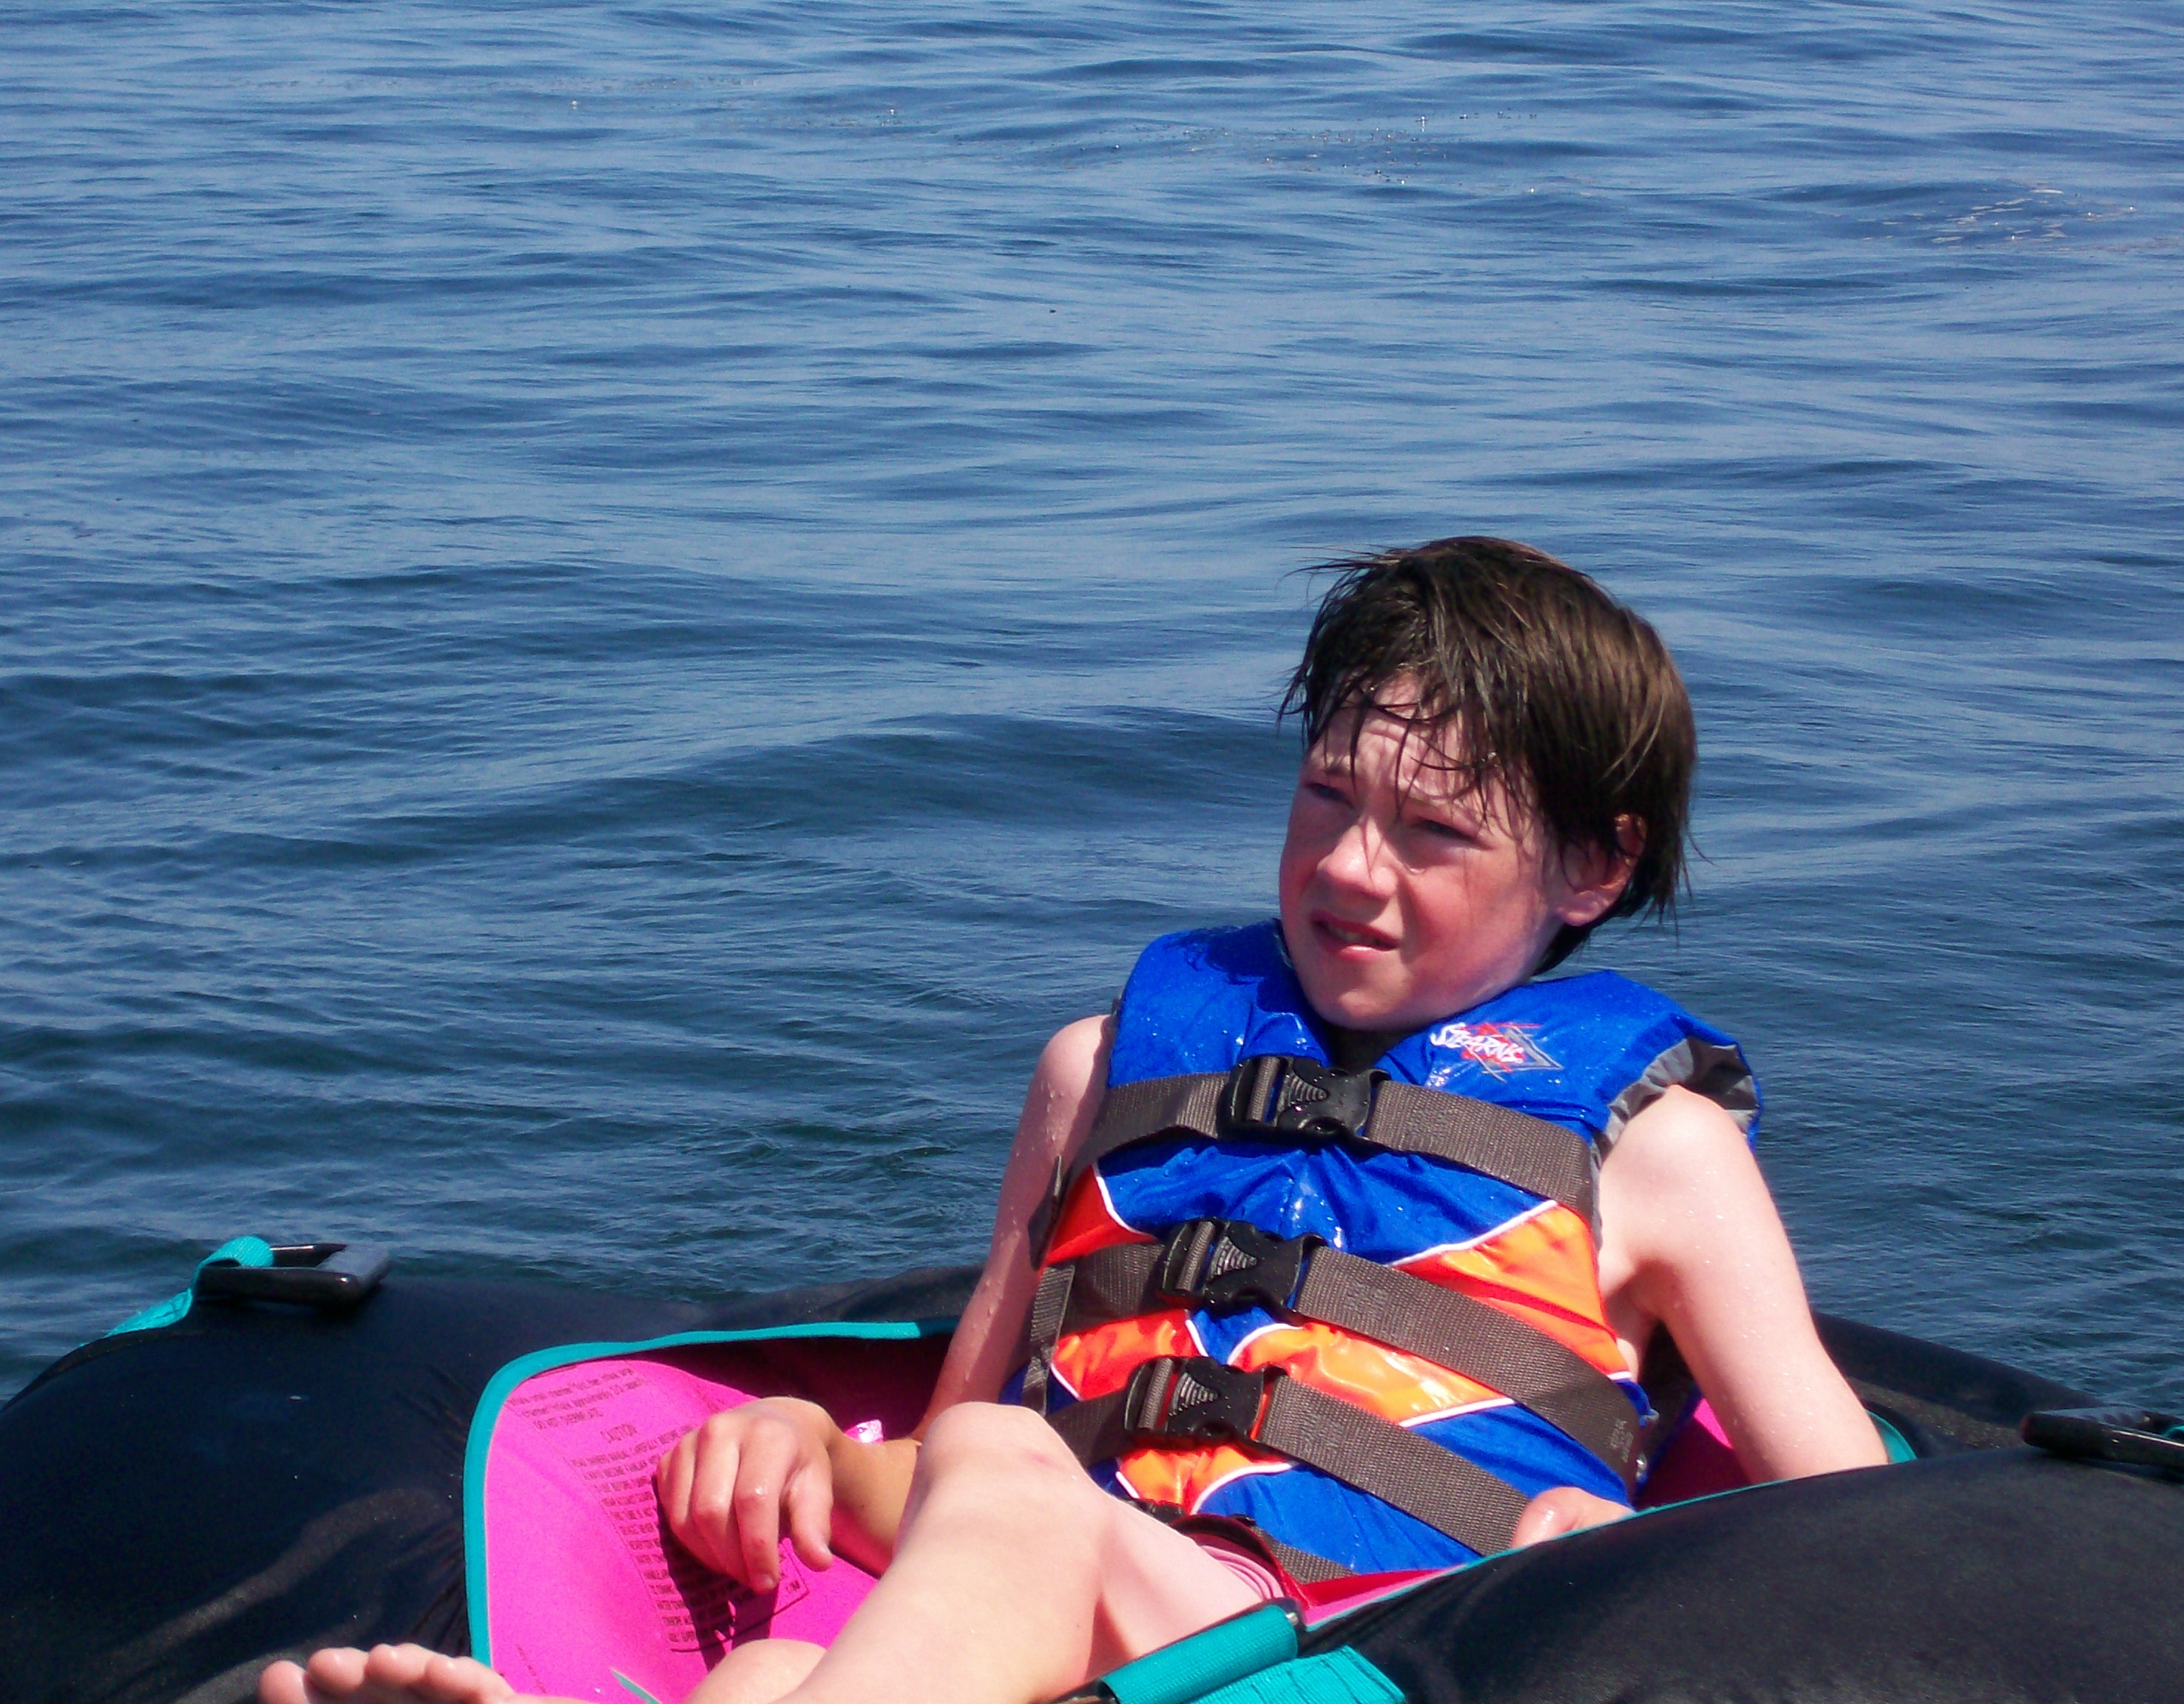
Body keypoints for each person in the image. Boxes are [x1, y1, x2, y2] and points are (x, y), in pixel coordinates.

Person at [260, 538, 1887, 1704]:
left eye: (1432, 834)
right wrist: (807, 1447)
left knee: (996, 1477)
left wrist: (1592, 1572)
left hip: (1372, 1657)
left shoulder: (1657, 1157)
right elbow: (952, 1448)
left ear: (1593, 868)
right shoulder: (1100, 1071)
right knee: (776, 1662)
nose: (1347, 868)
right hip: (1088, 1622)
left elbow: (1864, 1528)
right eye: (1327, 795)